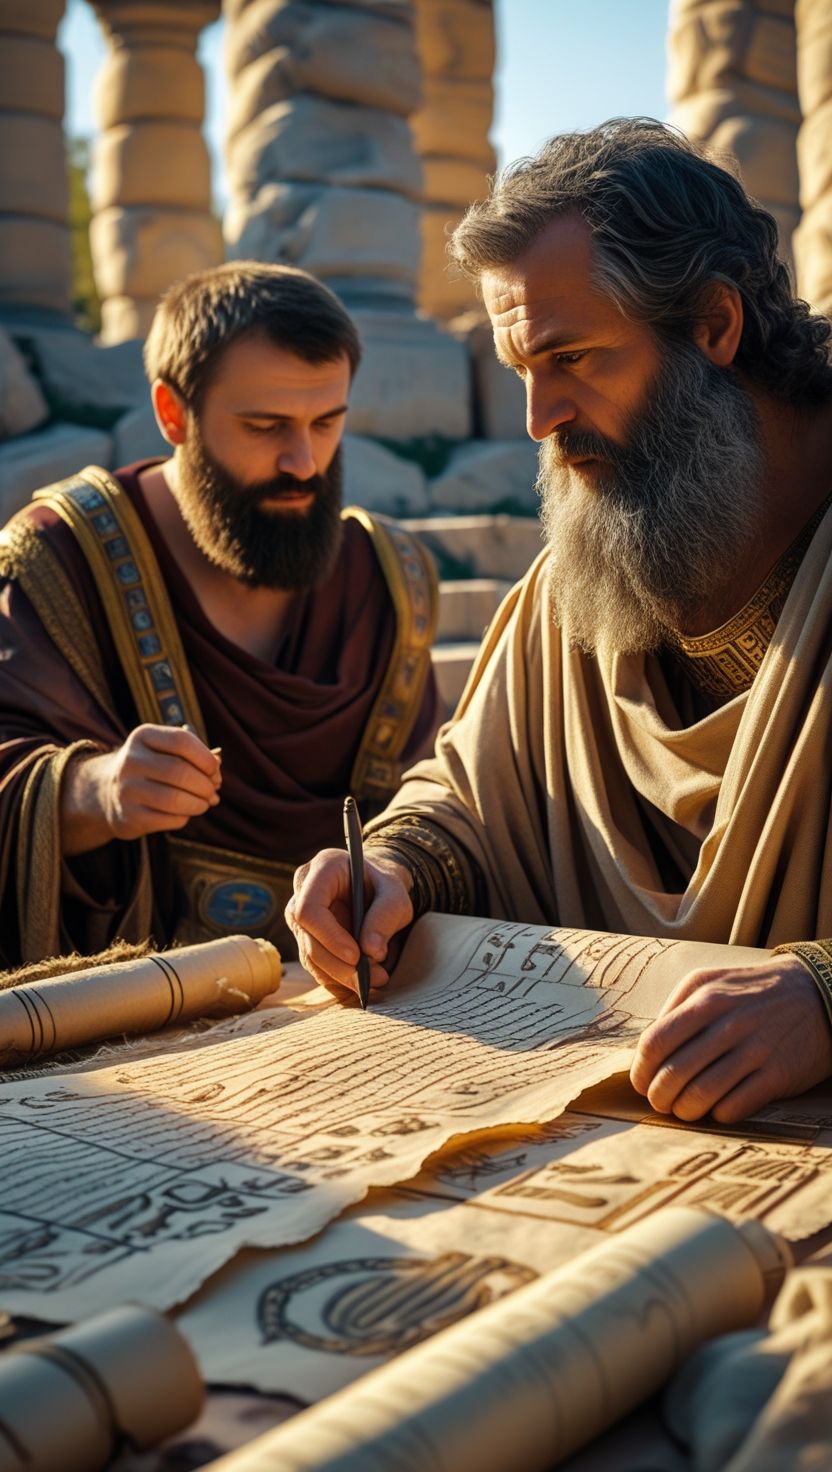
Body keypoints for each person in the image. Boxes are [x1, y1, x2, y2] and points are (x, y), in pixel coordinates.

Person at [288, 118, 832, 1126]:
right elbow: (475, 796)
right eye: (520, 369)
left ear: (713, 326)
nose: (538, 417)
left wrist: (825, 999)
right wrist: (398, 866)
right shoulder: (586, 568)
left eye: (573, 358)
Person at [0, 261, 439, 965]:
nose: (304, 462)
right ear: (173, 413)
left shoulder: (391, 580)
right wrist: (92, 790)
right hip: (124, 1026)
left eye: (327, 422)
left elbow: (434, 803)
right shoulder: (56, 561)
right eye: (265, 426)